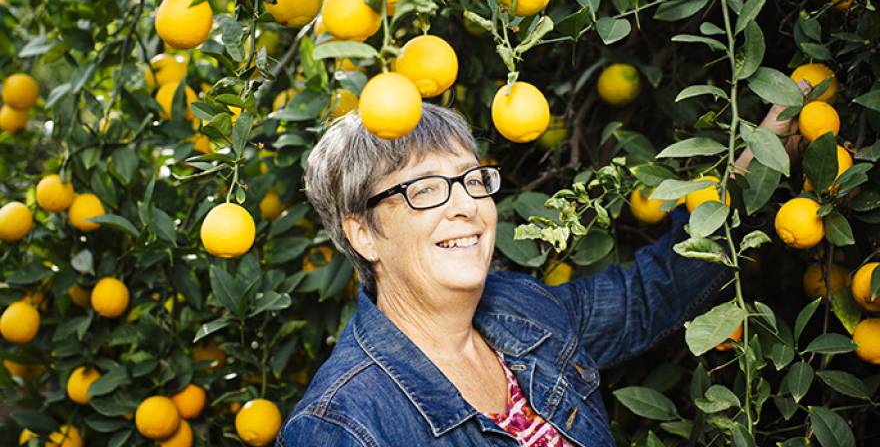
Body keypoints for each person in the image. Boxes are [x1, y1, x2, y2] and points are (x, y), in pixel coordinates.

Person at [276, 99, 800, 446]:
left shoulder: (520, 310)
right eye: (426, 188)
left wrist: (751, 174)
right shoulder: (342, 424)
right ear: (362, 233)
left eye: (471, 180)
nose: (464, 207)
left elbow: (649, 295)